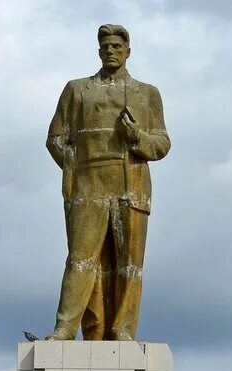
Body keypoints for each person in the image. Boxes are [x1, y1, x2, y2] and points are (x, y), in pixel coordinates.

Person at [45, 24, 170, 342]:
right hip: (88, 188)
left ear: (128, 51)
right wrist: (77, 168)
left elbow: (161, 143)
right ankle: (66, 326)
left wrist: (137, 136)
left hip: (131, 188)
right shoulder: (77, 90)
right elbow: (55, 138)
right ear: (98, 50)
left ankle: (123, 329)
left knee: (129, 264)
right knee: (81, 259)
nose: (111, 51)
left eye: (117, 46)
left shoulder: (147, 93)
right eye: (106, 46)